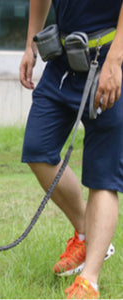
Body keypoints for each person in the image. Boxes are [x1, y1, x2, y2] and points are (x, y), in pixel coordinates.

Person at [19, 0, 123, 298]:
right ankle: (85, 232)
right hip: (63, 59)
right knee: (37, 148)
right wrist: (31, 45)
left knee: (102, 174)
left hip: (108, 58)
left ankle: (89, 279)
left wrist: (115, 62)